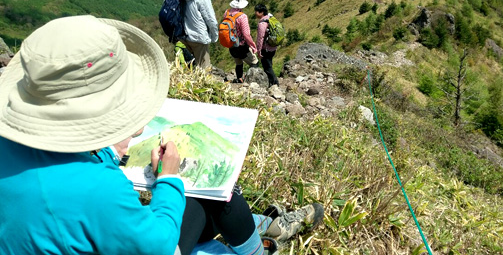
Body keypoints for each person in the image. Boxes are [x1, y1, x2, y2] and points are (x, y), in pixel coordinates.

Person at [0, 15, 323, 255]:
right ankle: (259, 244)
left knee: (206, 196)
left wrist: (107, 148)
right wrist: (169, 178)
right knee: (215, 193)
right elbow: (157, 245)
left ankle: (257, 228)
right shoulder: (96, 190)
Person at [166, 0, 219, 69]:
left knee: (186, 69)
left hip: (180, 35)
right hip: (198, 36)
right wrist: (214, 36)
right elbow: (210, 19)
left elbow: (167, 5)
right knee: (204, 70)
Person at [224, 0, 259, 83]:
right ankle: (252, 81)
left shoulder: (227, 12)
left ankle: (239, 78)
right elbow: (246, 34)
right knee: (254, 62)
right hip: (241, 45)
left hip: (231, 44)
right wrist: (253, 45)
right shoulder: (242, 16)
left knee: (238, 62)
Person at [254, 4, 279, 87]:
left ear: (262, 12)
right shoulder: (270, 18)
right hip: (273, 47)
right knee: (269, 65)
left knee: (267, 68)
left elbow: (260, 38)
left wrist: (259, 50)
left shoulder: (262, 24)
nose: (255, 13)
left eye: (257, 11)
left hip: (266, 49)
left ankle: (275, 84)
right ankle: (271, 82)